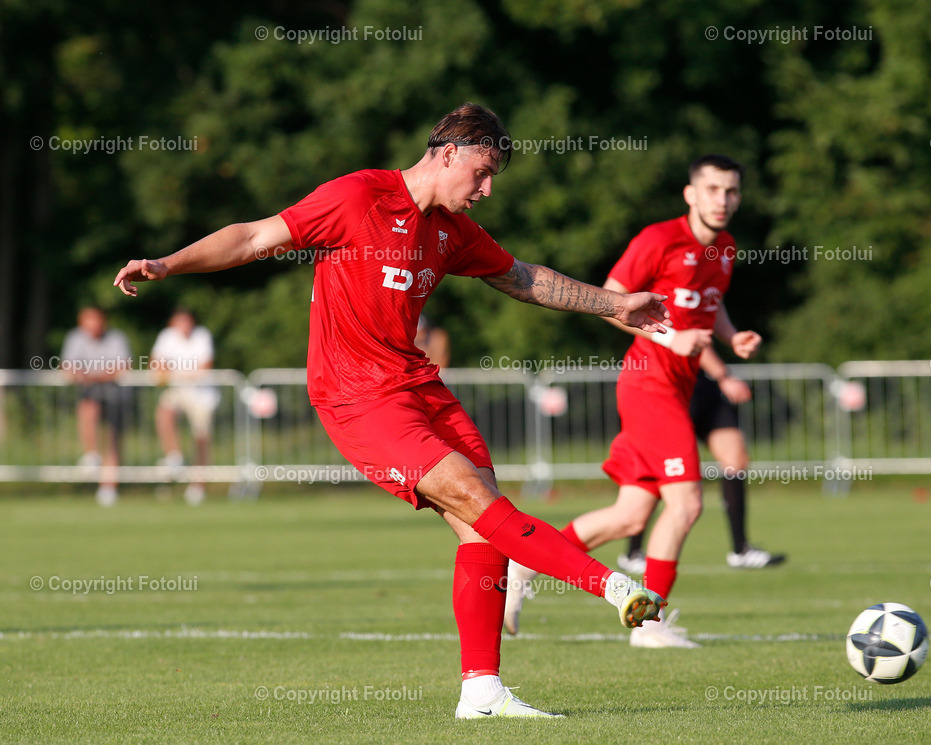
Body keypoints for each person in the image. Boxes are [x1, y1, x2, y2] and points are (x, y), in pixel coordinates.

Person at [113, 103, 670, 719]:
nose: (486, 190)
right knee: (476, 500)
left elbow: (522, 277)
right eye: (482, 173)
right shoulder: (359, 196)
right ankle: (614, 586)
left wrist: (612, 305)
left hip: (418, 384)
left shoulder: (451, 230)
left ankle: (481, 692)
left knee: (479, 522)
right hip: (357, 397)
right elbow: (252, 237)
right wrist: (169, 263)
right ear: (448, 153)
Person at [504, 154, 761, 649]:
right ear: (691, 194)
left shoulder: (725, 248)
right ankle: (650, 624)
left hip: (674, 389)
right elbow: (611, 299)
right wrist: (671, 342)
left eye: (730, 191)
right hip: (649, 385)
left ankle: (525, 563)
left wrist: (732, 337)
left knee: (629, 517)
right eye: (712, 189)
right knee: (685, 504)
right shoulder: (658, 239)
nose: (722, 200)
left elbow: (710, 304)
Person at [617, 346, 786, 574]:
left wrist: (734, 337)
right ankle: (633, 553)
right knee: (665, 475)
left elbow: (711, 322)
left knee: (736, 459)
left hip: (703, 384)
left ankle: (741, 550)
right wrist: (724, 376)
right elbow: (688, 337)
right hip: (669, 388)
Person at [60, 306, 133, 506]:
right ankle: (91, 454)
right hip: (91, 395)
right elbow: (68, 367)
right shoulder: (75, 338)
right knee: (88, 409)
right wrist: (83, 375)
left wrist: (92, 376)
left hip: (115, 396)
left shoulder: (116, 338)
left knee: (111, 440)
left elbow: (122, 367)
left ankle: (108, 487)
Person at [150, 308, 219, 505]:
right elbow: (156, 365)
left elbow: (205, 366)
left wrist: (176, 374)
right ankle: (174, 456)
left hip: (202, 395)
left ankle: (198, 485)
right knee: (164, 411)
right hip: (179, 390)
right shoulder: (167, 336)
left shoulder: (202, 335)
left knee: (201, 439)